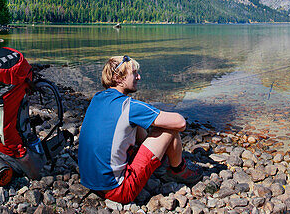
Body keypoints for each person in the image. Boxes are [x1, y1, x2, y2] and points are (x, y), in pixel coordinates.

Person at [77, 55, 201, 204]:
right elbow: (180, 123)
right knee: (170, 129)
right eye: (134, 73)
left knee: (136, 124)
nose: (139, 77)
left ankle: (160, 163)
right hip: (118, 190)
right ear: (119, 78)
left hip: (91, 182)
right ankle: (178, 170)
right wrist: (155, 117)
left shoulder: (97, 98)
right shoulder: (128, 106)